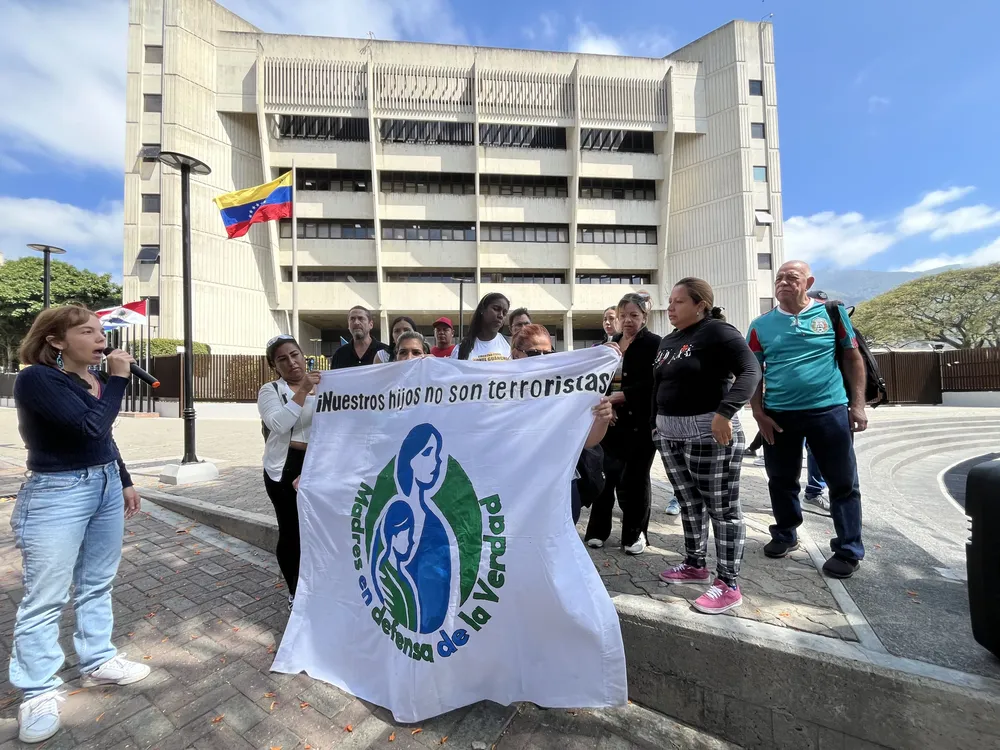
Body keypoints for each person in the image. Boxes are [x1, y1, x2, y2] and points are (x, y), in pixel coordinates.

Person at [11, 306, 150, 743]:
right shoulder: (37, 379)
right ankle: (37, 689)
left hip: (105, 483)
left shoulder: (96, 380)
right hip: (57, 493)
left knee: (97, 581)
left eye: (101, 330)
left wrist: (124, 480)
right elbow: (91, 426)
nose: (98, 337)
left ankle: (98, 658)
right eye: (86, 330)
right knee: (45, 594)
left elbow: (104, 437)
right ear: (55, 340)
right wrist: (122, 379)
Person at [748, 260, 868, 579]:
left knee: (843, 482)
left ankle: (848, 549)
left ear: (808, 281)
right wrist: (758, 413)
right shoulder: (760, 325)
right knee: (782, 479)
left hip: (828, 411)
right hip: (779, 415)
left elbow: (852, 357)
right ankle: (786, 533)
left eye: (792, 277)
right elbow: (753, 372)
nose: (784, 283)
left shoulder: (831, 313)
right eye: (779, 278)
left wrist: (858, 405)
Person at [652, 279, 761, 614]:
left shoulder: (717, 332)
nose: (670, 307)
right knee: (689, 503)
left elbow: (751, 370)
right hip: (670, 434)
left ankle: (728, 583)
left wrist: (726, 411)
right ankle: (695, 564)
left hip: (709, 434)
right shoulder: (670, 340)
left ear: (700, 304)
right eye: (669, 301)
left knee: (722, 509)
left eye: (678, 301)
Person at [511, 324, 614, 523]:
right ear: (516, 354)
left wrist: (602, 419)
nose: (542, 359)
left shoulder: (566, 392)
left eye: (548, 354)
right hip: (517, 489)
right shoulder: (497, 393)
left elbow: (587, 441)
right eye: (533, 353)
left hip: (561, 485)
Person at [584, 293, 661, 555]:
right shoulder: (610, 345)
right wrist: (607, 404)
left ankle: (635, 534)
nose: (628, 321)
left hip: (639, 424)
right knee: (605, 477)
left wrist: (625, 396)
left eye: (634, 316)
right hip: (610, 422)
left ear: (644, 317)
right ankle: (597, 531)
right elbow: (597, 381)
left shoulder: (655, 344)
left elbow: (656, 383)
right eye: (623, 316)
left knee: (635, 481)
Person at [258, 335, 321, 608]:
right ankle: (295, 590)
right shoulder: (270, 390)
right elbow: (278, 424)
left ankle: (319, 585)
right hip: (285, 466)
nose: (291, 362)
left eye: (294, 354)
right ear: (275, 365)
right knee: (292, 530)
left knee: (318, 530)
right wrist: (303, 391)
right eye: (282, 359)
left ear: (303, 354)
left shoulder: (325, 384)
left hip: (319, 463)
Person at [452, 293, 511, 361]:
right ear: (482, 309)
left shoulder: (511, 344)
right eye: (496, 309)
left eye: (504, 313)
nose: (501, 315)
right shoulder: (460, 350)